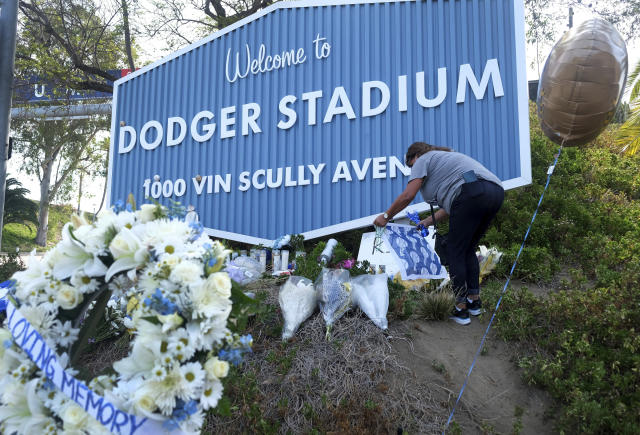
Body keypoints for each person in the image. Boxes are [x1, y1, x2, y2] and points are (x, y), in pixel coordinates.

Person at [373, 142, 504, 325]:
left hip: (471, 194)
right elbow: (454, 205)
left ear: (414, 157)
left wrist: (386, 216)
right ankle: (474, 302)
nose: (412, 170)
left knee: (454, 250)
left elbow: (408, 195)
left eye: (410, 166)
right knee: (467, 249)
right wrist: (426, 222)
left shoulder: (423, 159)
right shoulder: (445, 161)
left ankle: (460, 309)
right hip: (495, 193)